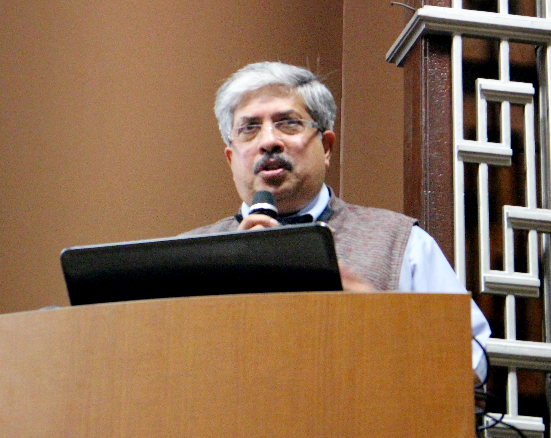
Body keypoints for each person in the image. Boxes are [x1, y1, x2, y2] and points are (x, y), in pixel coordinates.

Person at [183, 61, 491, 381]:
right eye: (250, 128)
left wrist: (376, 313)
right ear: (231, 157)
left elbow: (471, 361)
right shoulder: (188, 257)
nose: (268, 141)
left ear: (326, 147)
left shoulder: (400, 243)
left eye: (288, 123)